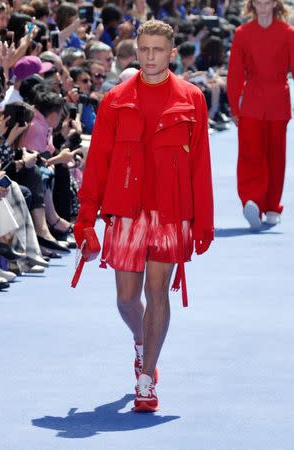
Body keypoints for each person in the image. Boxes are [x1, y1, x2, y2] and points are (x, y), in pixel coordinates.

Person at [73, 20, 214, 412]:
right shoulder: (115, 100)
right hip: (126, 211)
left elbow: (199, 164)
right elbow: (97, 162)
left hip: (171, 213)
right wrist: (85, 219)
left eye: (158, 50)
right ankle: (141, 341)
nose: (150, 57)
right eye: (144, 49)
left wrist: (203, 220)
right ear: (137, 52)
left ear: (171, 53)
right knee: (125, 298)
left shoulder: (192, 99)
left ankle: (147, 377)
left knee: (157, 294)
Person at [227, 0, 294, 229]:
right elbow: (235, 72)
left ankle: (272, 205)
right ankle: (252, 200)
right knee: (250, 152)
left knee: (276, 155)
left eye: (267, 2)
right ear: (252, 4)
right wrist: (235, 107)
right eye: (259, 2)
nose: (263, 6)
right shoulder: (242, 33)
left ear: (275, 3)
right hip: (252, 100)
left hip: (278, 100)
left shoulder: (288, 33)